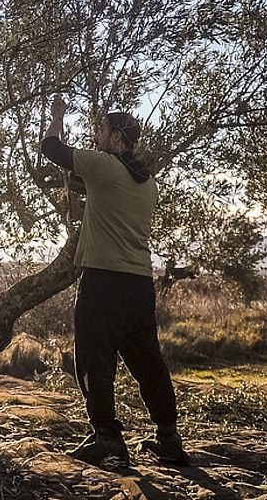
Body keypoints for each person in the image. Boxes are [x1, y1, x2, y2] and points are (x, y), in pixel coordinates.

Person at [41, 94, 188, 467]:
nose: (95, 134)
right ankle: (169, 438)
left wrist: (57, 116)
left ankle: (107, 438)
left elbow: (51, 148)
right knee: (147, 362)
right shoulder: (148, 183)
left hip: (104, 281)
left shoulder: (103, 166)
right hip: (139, 283)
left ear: (118, 136)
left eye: (101, 128)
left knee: (93, 358)